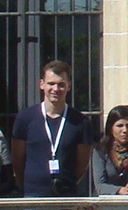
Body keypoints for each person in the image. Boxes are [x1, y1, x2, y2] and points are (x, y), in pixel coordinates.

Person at [11, 61, 92, 198]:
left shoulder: (81, 122)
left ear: (69, 86)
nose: (56, 89)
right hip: (33, 195)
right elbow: (17, 160)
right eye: (51, 84)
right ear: (41, 84)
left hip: (66, 196)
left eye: (61, 84)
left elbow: (82, 164)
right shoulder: (25, 117)